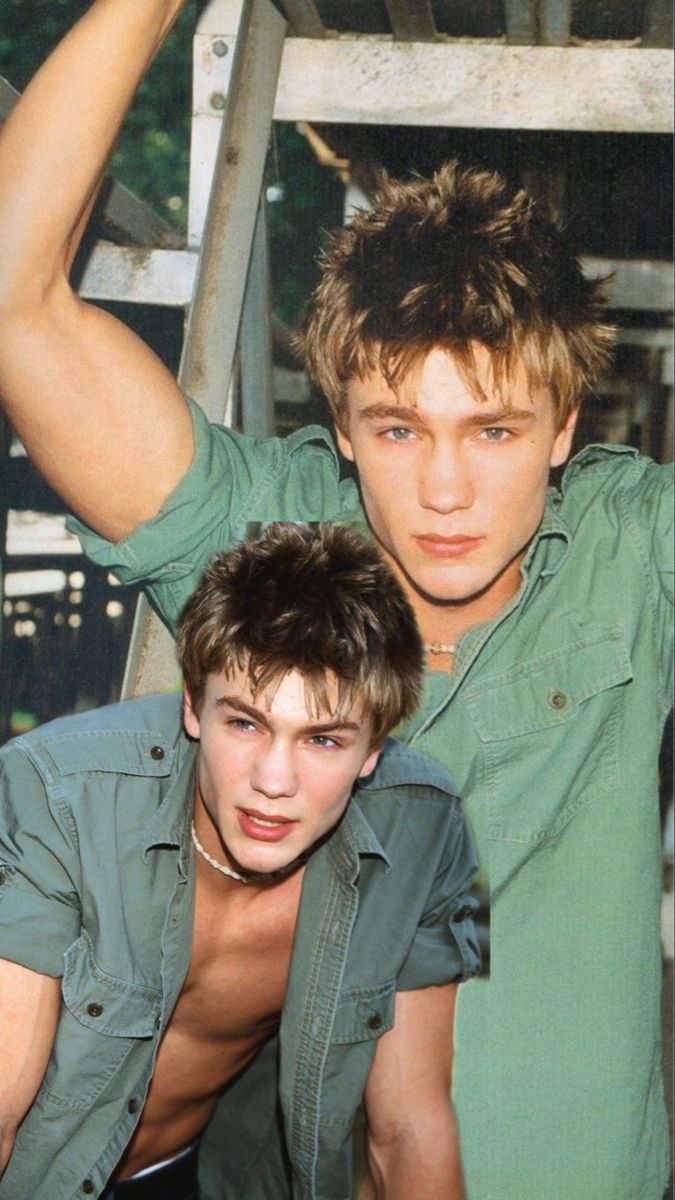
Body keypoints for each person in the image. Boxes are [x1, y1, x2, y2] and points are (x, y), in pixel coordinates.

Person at [0, 3, 671, 1197]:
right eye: (401, 427)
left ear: (567, 426)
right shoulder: (263, 536)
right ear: (345, 431)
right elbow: (16, 306)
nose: (448, 489)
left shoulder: (635, 552)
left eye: (498, 429)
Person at [0, 521, 479, 1200]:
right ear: (193, 705)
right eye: (245, 723)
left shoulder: (419, 829)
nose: (273, 780)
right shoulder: (56, 794)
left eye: (322, 740)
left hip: (201, 1177)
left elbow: (406, 1129)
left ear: (373, 749)